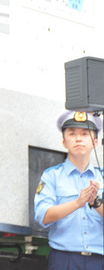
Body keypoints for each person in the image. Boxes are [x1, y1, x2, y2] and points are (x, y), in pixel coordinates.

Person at [34, 110, 104, 270]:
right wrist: (77, 203)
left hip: (99, 261)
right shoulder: (52, 176)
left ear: (95, 142)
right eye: (72, 134)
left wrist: (96, 203)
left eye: (85, 134)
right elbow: (42, 216)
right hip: (64, 260)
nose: (78, 139)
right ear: (64, 142)